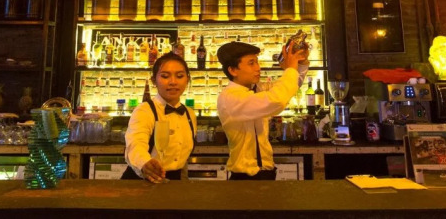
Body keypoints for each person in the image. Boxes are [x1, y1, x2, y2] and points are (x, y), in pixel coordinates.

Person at [216, 39, 308, 180]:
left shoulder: (256, 89)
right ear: (233, 70)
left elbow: (289, 87)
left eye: (257, 62)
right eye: (251, 63)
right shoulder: (230, 98)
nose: (258, 68)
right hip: (245, 178)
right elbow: (277, 99)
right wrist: (290, 69)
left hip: (266, 172)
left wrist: (299, 62)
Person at [123, 52, 196, 182]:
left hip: (174, 183)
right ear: (154, 81)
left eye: (179, 76)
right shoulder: (145, 111)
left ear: (187, 79)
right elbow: (135, 144)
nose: (173, 82)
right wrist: (145, 163)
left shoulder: (190, 114)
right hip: (143, 182)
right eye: (165, 76)